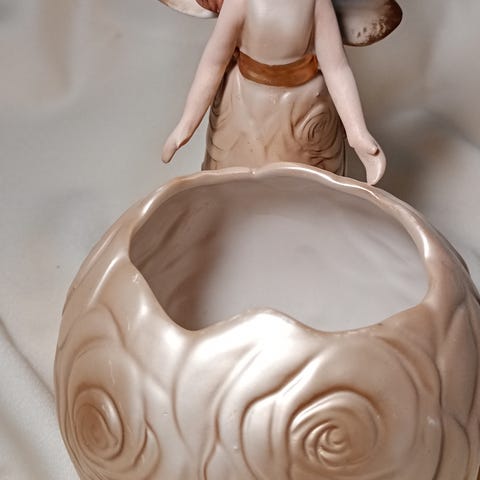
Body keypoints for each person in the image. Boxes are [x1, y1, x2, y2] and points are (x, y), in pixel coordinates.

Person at [162, 0, 391, 184]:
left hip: (305, 106)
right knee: (236, 183)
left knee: (304, 188)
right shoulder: (240, 3)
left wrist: (357, 133)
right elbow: (214, 63)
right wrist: (186, 124)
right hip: (244, 103)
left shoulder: (316, 3)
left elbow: (336, 68)